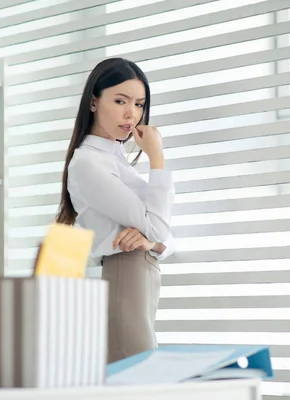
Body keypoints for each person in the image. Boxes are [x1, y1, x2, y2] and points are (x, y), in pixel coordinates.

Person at [56, 57, 175, 363]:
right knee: (139, 374)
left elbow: (164, 234)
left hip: (141, 272)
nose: (131, 114)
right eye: (121, 101)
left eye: (139, 104)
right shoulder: (88, 163)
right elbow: (159, 226)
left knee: (137, 374)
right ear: (93, 102)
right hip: (126, 270)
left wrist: (152, 242)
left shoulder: (117, 160)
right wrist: (157, 159)